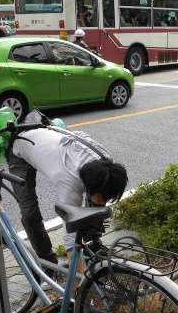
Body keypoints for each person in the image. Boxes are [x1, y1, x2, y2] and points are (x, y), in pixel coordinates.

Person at [7, 112, 128, 264]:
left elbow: (81, 136)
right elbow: (70, 242)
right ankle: (48, 261)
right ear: (87, 187)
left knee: (94, 206)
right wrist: (80, 280)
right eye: (104, 198)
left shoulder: (106, 162)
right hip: (20, 149)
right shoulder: (69, 181)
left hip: (50, 142)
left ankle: (93, 245)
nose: (105, 203)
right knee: (29, 211)